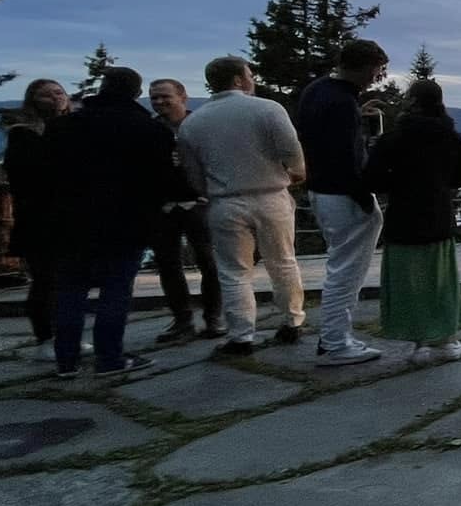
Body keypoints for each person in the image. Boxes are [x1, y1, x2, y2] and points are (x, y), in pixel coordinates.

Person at [42, 67, 173, 378]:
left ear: (102, 87)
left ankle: (66, 360)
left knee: (70, 291)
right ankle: (109, 357)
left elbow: (47, 175)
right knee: (116, 290)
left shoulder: (63, 127)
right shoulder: (149, 129)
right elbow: (162, 180)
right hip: (127, 220)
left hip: (71, 219)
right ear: (136, 93)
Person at [176, 55, 308, 355]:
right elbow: (290, 148)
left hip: (225, 202)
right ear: (238, 79)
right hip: (272, 194)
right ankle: (292, 321)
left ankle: (241, 335)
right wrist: (296, 171)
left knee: (234, 272)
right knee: (283, 261)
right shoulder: (267, 109)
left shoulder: (193, 122)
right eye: (249, 74)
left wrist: (210, 191)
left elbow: (192, 173)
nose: (252, 79)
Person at [364, 77, 461, 364]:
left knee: (408, 282)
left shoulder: (393, 139)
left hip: (403, 217)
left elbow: (372, 178)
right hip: (437, 214)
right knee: (440, 281)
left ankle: (418, 342)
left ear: (410, 102)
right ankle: (446, 340)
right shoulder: (451, 137)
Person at [295, 38, 390, 366]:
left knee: (340, 266)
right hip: (343, 194)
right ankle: (335, 342)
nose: (376, 77)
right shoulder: (341, 103)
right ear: (366, 66)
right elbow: (346, 158)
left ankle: (336, 337)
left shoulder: (318, 90)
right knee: (346, 272)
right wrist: (366, 198)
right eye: (377, 70)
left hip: (321, 189)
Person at [148, 78, 223, 342]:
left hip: (200, 203)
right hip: (164, 206)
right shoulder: (150, 130)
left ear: (183, 97)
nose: (159, 102)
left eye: (164, 96)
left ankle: (214, 317)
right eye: (154, 97)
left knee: (208, 261)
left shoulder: (200, 126)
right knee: (168, 265)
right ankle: (182, 320)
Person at [3, 78, 69, 357]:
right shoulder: (23, 135)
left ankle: (63, 334)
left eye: (59, 92)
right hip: (38, 219)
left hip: (66, 217)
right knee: (45, 279)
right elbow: (33, 176)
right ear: (33, 100)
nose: (55, 98)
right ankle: (45, 337)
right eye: (47, 95)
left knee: (65, 280)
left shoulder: (67, 128)